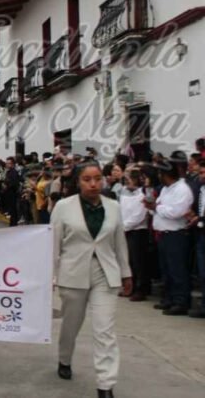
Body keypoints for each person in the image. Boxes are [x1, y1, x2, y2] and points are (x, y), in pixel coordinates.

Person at [51, 162, 132, 398]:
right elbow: (54, 245)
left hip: (105, 274)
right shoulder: (63, 207)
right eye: (87, 179)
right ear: (78, 181)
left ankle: (105, 384)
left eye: (98, 178)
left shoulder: (114, 207)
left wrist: (126, 272)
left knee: (104, 330)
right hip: (72, 273)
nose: (94, 184)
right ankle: (64, 359)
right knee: (71, 325)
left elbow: (119, 243)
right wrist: (51, 276)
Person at [146, 159, 194, 316]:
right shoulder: (166, 189)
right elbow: (159, 208)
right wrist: (152, 207)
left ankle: (181, 302)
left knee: (177, 269)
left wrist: (157, 208)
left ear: (166, 174)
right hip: (163, 234)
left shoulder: (182, 189)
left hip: (175, 234)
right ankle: (169, 298)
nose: (158, 175)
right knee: (166, 269)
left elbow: (176, 212)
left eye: (160, 173)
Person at [120, 168, 150, 301]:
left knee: (139, 262)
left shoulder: (142, 195)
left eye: (129, 179)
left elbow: (139, 216)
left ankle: (141, 289)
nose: (127, 182)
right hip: (125, 230)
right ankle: (130, 287)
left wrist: (124, 226)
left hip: (137, 231)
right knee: (129, 261)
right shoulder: (124, 193)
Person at [188, 159, 205, 318]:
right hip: (200, 234)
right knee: (202, 271)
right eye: (200, 172)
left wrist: (200, 219)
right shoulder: (200, 189)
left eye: (203, 172)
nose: (201, 175)